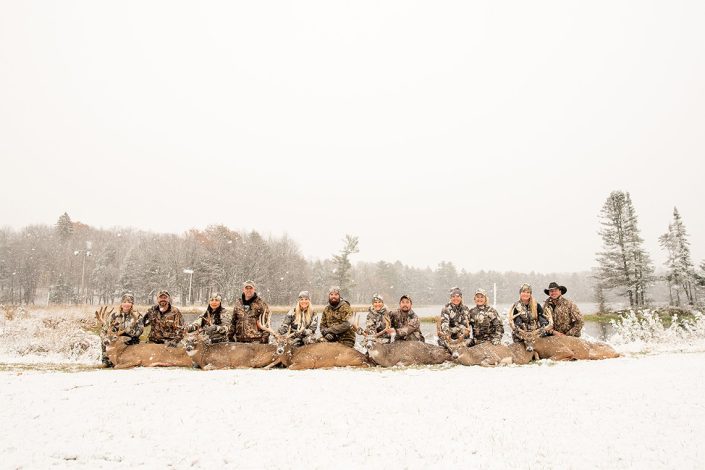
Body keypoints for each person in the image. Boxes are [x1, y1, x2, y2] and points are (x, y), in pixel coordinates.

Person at [100, 293, 144, 367]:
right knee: (105, 341)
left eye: (129, 302)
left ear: (132, 304)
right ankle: (107, 361)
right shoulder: (114, 315)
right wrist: (104, 336)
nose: (126, 304)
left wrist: (129, 331)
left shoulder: (137, 316)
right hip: (116, 339)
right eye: (124, 302)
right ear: (121, 303)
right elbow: (104, 328)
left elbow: (140, 331)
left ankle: (129, 362)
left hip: (131, 340)